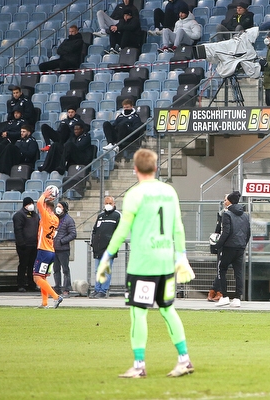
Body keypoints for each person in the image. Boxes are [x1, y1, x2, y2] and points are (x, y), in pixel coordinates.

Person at [96, 148, 196, 378]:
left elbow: (122, 229)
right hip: (165, 262)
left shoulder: (135, 194)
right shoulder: (169, 191)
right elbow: (178, 226)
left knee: (138, 313)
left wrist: (107, 256)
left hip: (143, 264)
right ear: (155, 167)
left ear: (135, 169)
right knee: (168, 310)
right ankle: (184, 359)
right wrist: (181, 255)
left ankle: (139, 365)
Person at [212, 191, 251, 308]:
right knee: (238, 272)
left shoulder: (227, 214)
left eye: (225, 200)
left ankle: (224, 296)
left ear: (229, 201)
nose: (224, 202)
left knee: (221, 269)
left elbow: (226, 232)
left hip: (228, 247)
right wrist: (243, 244)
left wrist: (218, 245)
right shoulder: (245, 215)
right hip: (240, 247)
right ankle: (238, 298)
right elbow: (248, 232)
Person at [32, 186, 63, 308]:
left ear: (47, 207)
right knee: (43, 277)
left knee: (36, 277)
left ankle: (56, 297)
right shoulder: (56, 219)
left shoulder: (46, 216)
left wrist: (44, 195)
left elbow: (39, 203)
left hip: (43, 251)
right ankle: (44, 303)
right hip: (51, 251)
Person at [90, 196, 121, 298]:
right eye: (106, 203)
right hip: (98, 248)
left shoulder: (117, 216)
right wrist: (93, 243)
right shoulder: (101, 216)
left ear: (114, 204)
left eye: (110, 203)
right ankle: (97, 289)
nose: (107, 205)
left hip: (109, 249)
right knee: (97, 270)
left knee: (106, 271)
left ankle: (103, 290)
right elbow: (95, 230)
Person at [12, 196, 39, 293]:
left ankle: (31, 284)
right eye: (29, 204)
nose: (31, 206)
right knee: (23, 265)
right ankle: (21, 285)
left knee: (32, 266)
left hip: (34, 244)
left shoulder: (35, 215)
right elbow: (18, 230)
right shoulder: (19, 215)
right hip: (24, 245)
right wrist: (21, 243)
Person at [53, 199, 76, 296]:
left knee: (65, 270)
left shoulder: (69, 220)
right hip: (54, 248)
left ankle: (66, 288)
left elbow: (73, 234)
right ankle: (57, 287)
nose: (58, 208)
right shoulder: (54, 218)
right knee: (56, 270)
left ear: (64, 209)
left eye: (60, 207)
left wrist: (62, 241)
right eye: (57, 206)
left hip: (63, 249)